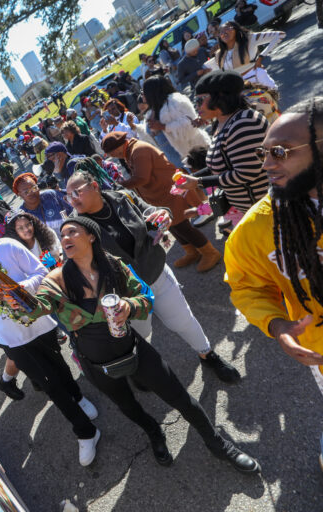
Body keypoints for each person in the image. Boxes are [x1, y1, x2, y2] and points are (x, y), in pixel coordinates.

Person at [29, 216, 259, 472]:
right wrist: (7, 299)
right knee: (127, 405)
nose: (65, 238)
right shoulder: (56, 280)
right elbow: (33, 308)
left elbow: (145, 297)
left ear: (91, 236)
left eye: (72, 231)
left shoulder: (113, 266)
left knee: (180, 397)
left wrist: (130, 305)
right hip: (95, 364)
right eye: (62, 235)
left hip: (132, 349)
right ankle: (154, 432)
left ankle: (217, 444)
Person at [0, 226, 101, 466]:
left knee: (59, 365)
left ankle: (77, 396)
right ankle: (86, 432)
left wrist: (13, 289)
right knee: (49, 383)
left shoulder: (6, 246)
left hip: (40, 324)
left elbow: (42, 273)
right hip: (10, 338)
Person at [224, 97, 323, 470]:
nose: (266, 165)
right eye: (263, 153)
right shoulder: (256, 229)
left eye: (279, 152)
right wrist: (277, 324)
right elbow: (246, 287)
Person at [64, 171, 241, 381]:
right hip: (127, 294)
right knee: (141, 334)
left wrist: (162, 214)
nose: (73, 199)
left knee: (182, 320)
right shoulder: (77, 226)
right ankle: (141, 371)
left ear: (94, 185)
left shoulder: (122, 197)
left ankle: (207, 354)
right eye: (68, 196)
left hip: (155, 272)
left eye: (77, 192)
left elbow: (150, 211)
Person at [101, 132, 221, 272]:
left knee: (182, 226)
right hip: (160, 195)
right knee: (171, 226)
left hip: (169, 192)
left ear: (119, 146)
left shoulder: (138, 150)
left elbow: (142, 178)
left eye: (112, 153)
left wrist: (122, 186)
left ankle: (210, 252)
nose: (113, 156)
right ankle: (192, 252)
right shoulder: (131, 151)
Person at [175, 71, 270, 230]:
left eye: (199, 99)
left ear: (219, 97)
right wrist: (191, 178)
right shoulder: (222, 123)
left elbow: (246, 172)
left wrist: (199, 182)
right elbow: (222, 164)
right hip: (249, 209)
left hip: (264, 208)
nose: (196, 106)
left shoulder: (243, 122)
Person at [143, 75, 211, 160]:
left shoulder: (174, 101)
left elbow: (189, 124)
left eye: (144, 92)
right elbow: (153, 131)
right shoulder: (156, 108)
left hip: (198, 149)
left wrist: (163, 127)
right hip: (184, 154)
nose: (143, 95)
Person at [205, 21, 285, 77]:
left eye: (227, 29)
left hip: (260, 82)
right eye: (221, 32)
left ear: (235, 29)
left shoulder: (250, 39)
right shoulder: (219, 54)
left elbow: (280, 35)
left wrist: (261, 57)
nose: (224, 33)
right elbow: (210, 69)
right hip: (239, 90)